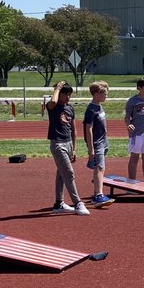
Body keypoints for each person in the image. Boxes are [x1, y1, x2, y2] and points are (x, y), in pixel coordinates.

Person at [46, 80, 89, 215]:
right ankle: (78, 203)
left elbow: (74, 130)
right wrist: (57, 88)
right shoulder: (52, 106)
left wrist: (74, 148)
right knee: (69, 173)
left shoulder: (70, 108)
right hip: (58, 144)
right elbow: (53, 102)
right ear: (59, 94)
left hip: (69, 143)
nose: (68, 97)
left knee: (61, 174)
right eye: (66, 94)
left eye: (70, 95)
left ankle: (59, 204)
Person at [84, 81, 113, 206]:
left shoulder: (100, 107)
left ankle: (98, 192)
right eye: (104, 94)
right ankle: (98, 195)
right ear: (96, 94)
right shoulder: (91, 109)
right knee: (99, 168)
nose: (106, 96)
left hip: (103, 141)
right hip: (97, 143)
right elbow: (88, 129)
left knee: (100, 168)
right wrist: (91, 148)